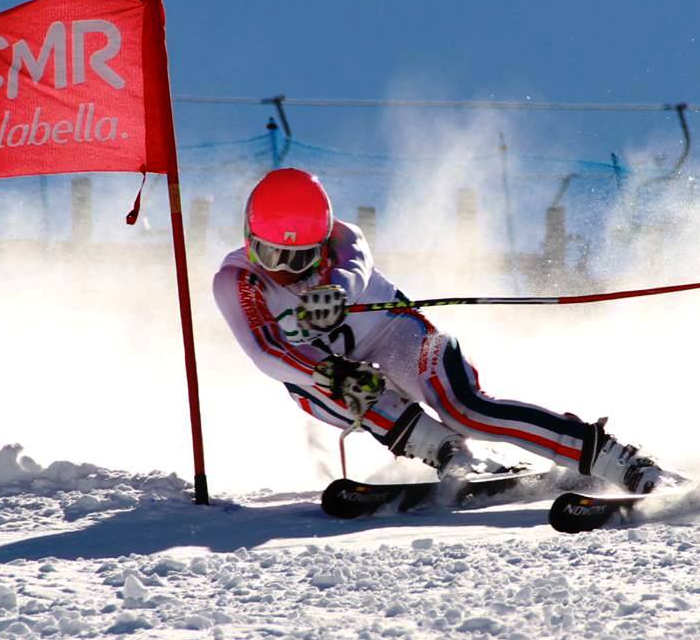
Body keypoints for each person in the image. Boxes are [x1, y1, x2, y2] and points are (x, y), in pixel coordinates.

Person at [211, 167, 663, 492]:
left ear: (323, 241)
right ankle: (447, 452)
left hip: (396, 336)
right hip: (326, 370)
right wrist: (329, 373)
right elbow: (264, 350)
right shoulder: (238, 281)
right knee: (336, 387)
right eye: (272, 256)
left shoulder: (344, 238)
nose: (287, 271)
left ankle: (606, 454)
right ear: (250, 241)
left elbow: (354, 267)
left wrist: (335, 292)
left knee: (465, 408)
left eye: (301, 257)